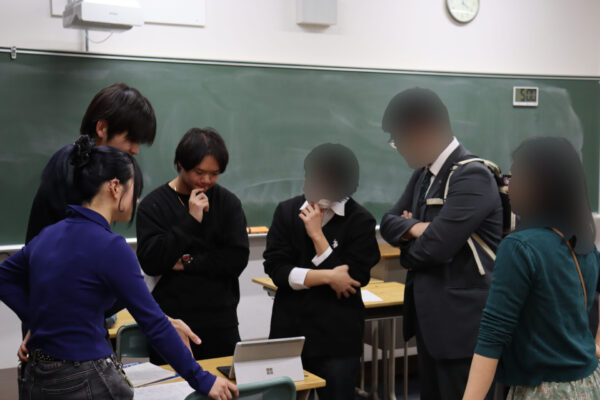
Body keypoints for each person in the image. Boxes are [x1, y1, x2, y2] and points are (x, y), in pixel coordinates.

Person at [0, 136, 238, 400]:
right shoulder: (111, 247)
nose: (137, 200)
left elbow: (4, 278)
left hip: (36, 376)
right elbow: (154, 324)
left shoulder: (48, 235)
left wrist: (38, 321)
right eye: (134, 189)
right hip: (86, 378)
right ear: (115, 187)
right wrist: (203, 379)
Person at [379, 88, 503, 400]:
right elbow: (388, 222)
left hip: (463, 330)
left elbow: (434, 249)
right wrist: (419, 228)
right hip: (432, 324)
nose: (398, 148)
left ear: (423, 131)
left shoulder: (472, 175)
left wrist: (412, 238)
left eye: (398, 139)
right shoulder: (424, 175)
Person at [463, 137, 600, 400]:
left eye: (515, 176)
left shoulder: (520, 247)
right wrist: (595, 345)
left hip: (544, 391)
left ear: (540, 184)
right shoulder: (583, 242)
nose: (508, 186)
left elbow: (492, 335)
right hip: (588, 383)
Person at [264, 143, 381, 400]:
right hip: (290, 331)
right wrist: (328, 276)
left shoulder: (360, 220)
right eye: (311, 177)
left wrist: (318, 237)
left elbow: (352, 280)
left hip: (337, 338)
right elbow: (276, 269)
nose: (311, 185)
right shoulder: (287, 212)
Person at [137, 127, 250, 363]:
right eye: (199, 172)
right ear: (181, 164)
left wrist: (187, 262)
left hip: (221, 320)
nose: (206, 180)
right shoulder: (154, 205)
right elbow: (152, 262)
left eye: (214, 174)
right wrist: (190, 221)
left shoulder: (228, 203)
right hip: (171, 322)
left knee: (226, 382)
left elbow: (235, 260)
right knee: (172, 384)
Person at [25, 82, 156, 244]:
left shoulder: (103, 171)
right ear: (102, 128)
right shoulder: (70, 164)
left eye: (139, 142)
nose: (135, 150)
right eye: (131, 139)